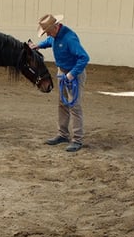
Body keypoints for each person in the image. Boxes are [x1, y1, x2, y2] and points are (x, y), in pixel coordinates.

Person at [28, 14, 90, 152]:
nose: (48, 35)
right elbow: (50, 40)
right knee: (62, 104)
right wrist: (38, 46)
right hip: (63, 72)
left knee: (74, 105)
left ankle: (77, 139)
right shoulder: (56, 35)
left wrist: (72, 74)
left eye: (49, 32)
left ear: (56, 27)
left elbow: (84, 58)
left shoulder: (69, 38)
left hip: (74, 73)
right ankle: (63, 134)